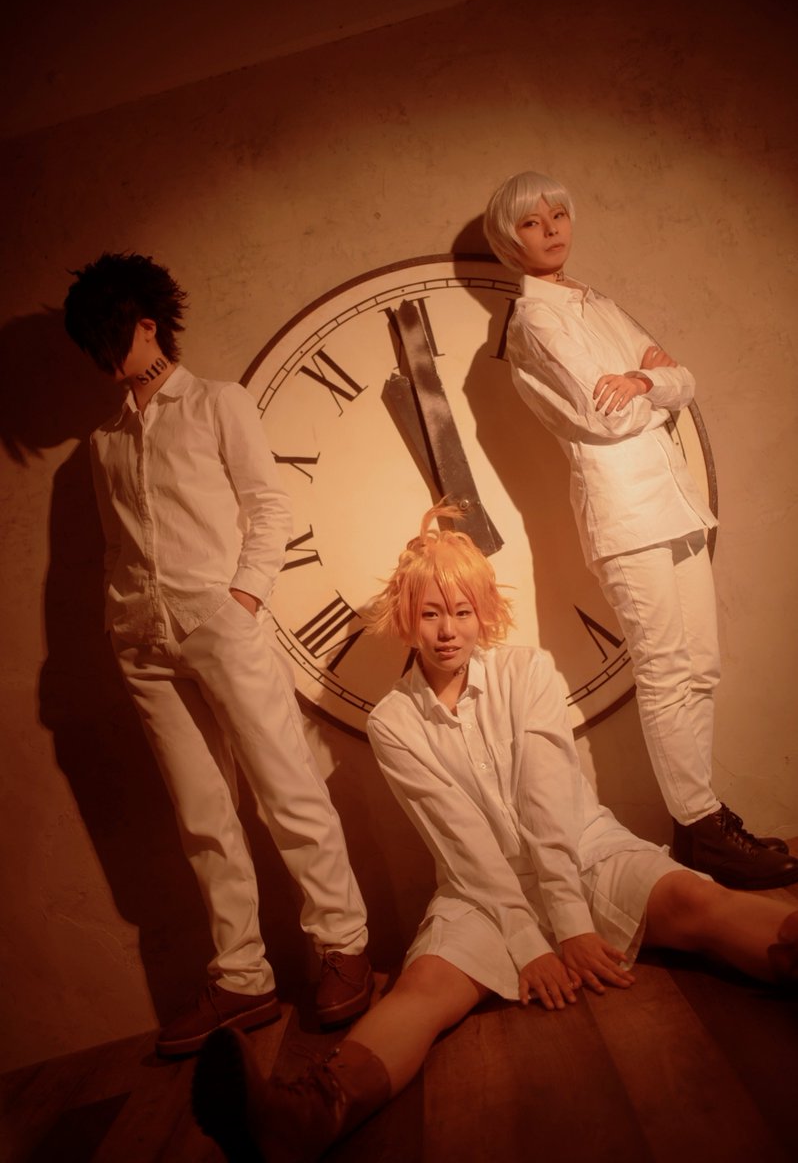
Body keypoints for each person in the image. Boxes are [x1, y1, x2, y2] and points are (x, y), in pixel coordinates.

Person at [190, 507, 798, 1163]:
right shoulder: (393, 722)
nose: (447, 630)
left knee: (698, 901)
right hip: (479, 890)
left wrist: (569, 922)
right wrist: (528, 942)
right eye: (430, 613)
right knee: (423, 989)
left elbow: (546, 801)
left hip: (586, 850)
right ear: (407, 619)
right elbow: (462, 842)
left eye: (462, 611)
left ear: (483, 613)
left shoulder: (528, 671)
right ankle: (302, 1117)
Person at [63, 252, 372, 1058]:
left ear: (148, 324)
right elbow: (114, 544)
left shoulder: (217, 404)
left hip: (221, 623)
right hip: (142, 640)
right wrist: (119, 621)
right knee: (203, 816)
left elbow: (268, 508)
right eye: (92, 346)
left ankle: (344, 946)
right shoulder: (103, 442)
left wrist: (242, 601)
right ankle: (242, 977)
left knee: (286, 786)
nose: (105, 360)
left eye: (112, 339)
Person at [482, 170, 798, 890]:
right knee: (663, 666)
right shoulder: (535, 320)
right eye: (532, 222)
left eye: (559, 214)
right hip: (623, 509)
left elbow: (684, 380)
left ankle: (700, 822)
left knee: (701, 664)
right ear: (509, 239)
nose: (551, 229)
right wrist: (650, 382)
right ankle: (699, 823)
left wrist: (649, 380)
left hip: (672, 499)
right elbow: (607, 416)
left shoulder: (596, 302)